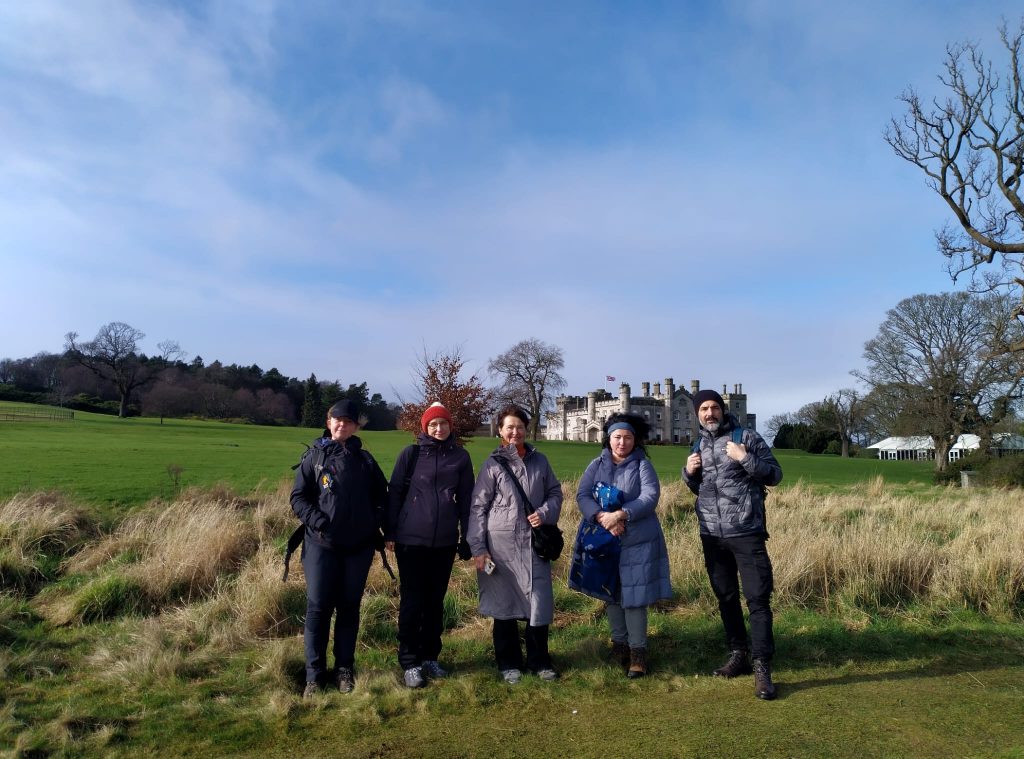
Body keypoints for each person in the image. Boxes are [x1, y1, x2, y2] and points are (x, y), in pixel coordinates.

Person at [682, 388, 783, 700]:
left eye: (714, 408)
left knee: (757, 599)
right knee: (725, 598)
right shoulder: (698, 443)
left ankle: (762, 667)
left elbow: (774, 474)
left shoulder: (746, 437)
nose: (710, 413)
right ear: (697, 415)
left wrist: (745, 458)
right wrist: (687, 473)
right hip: (711, 534)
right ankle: (738, 654)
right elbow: (700, 487)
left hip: (746, 531)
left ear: (723, 410)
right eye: (704, 410)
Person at [289, 399, 388, 698]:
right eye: (336, 419)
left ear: (357, 426)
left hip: (358, 547)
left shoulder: (367, 461)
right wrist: (318, 520)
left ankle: (344, 669)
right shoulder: (314, 457)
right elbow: (298, 497)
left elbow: (382, 496)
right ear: (329, 422)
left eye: (348, 420)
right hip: (322, 545)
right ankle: (314, 676)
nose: (341, 424)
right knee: (318, 607)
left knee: (349, 608)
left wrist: (375, 523)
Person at [467, 405, 563, 684]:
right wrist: (479, 548)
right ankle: (508, 664)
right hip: (501, 547)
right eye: (509, 427)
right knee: (503, 605)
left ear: (526, 429)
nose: (515, 432)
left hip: (533, 545)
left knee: (539, 603)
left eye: (519, 427)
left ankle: (539, 661)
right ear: (499, 430)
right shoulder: (493, 465)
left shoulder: (541, 461)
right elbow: (478, 507)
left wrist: (544, 513)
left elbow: (556, 492)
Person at [569, 413, 671, 678]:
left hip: (638, 540)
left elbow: (650, 497)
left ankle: (638, 653)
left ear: (635, 440)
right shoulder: (596, 464)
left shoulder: (642, 465)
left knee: (634, 598)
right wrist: (603, 517)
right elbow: (582, 495)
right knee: (611, 592)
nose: (622, 442)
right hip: (604, 538)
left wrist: (621, 514)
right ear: (609, 438)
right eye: (617, 437)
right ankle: (619, 646)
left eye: (627, 437)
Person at [385, 402, 474, 689]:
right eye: (433, 424)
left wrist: (466, 537)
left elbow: (467, 500)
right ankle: (409, 661)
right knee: (413, 601)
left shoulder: (460, 457)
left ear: (450, 426)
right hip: (411, 541)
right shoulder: (410, 455)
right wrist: (390, 532)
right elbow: (395, 492)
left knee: (435, 602)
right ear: (425, 427)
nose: (439, 428)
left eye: (443, 424)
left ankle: (430, 656)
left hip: (444, 542)